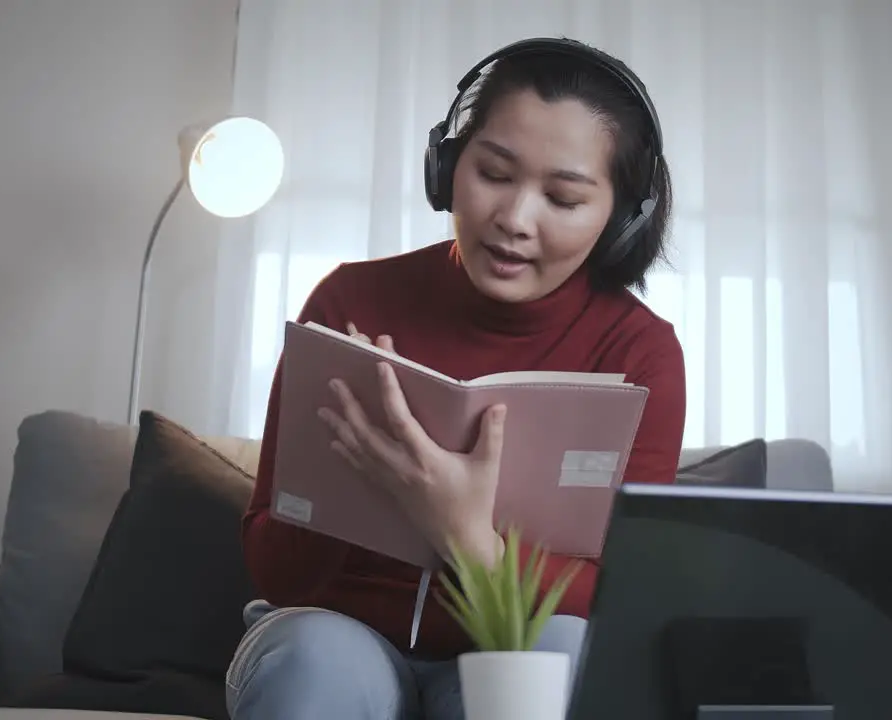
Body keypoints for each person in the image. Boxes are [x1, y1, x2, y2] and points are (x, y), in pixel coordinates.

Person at [226, 37, 687, 720]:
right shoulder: (348, 301)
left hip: (506, 650)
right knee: (313, 662)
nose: (514, 219)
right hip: (335, 636)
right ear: (447, 165)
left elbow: (629, 594)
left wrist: (467, 536)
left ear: (621, 218)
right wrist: (355, 481)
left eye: (562, 198)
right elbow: (275, 567)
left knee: (560, 660)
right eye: (494, 174)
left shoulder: (640, 353)